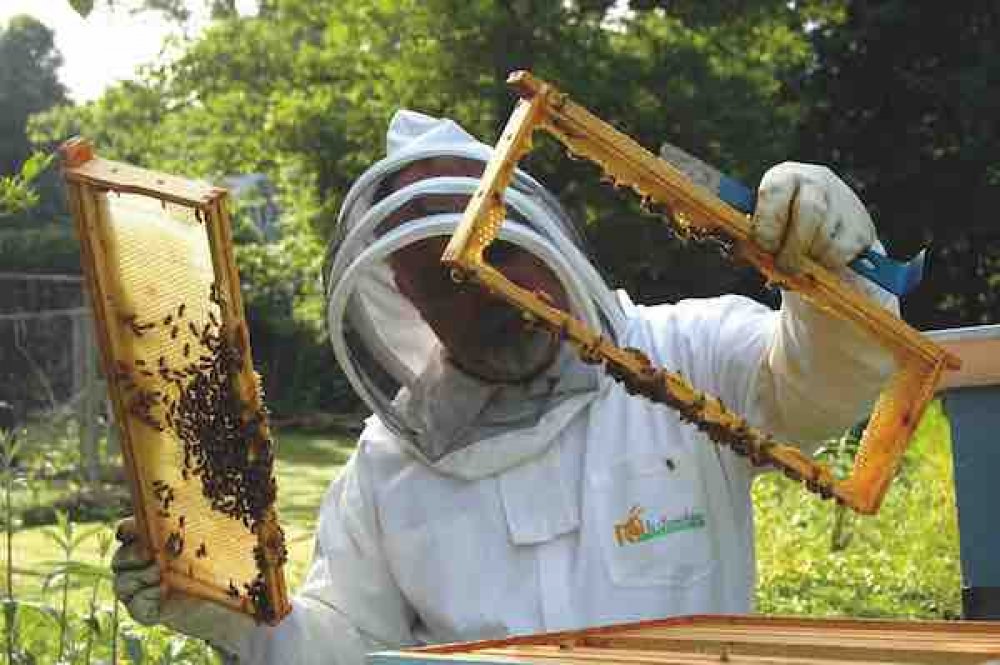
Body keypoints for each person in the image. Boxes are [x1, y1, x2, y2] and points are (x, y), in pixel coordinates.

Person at [111, 110, 898, 664]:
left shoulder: (682, 354)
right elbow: (345, 645)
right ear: (407, 299)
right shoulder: (388, 471)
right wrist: (234, 614)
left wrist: (835, 278)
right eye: (450, 284)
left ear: (539, 232)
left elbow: (821, 386)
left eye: (502, 259)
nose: (493, 297)